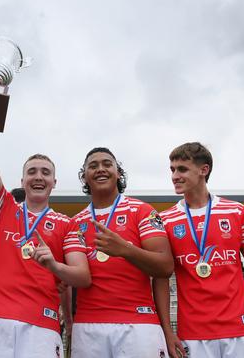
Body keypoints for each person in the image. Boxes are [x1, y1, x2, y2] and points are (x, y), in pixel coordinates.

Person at [0, 128, 91, 357]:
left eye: (45, 173)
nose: (38, 177)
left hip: (42, 324)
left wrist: (54, 266)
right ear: (22, 180)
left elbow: (82, 276)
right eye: (32, 172)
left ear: (54, 182)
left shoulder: (67, 224)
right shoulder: (3, 207)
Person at [158, 142, 244, 358]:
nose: (175, 176)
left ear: (203, 170)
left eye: (182, 169)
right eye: (172, 169)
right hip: (193, 334)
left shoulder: (235, 210)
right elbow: (160, 278)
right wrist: (168, 332)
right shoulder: (165, 219)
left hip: (241, 329)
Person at [69, 147, 173, 357]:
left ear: (118, 173)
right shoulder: (75, 223)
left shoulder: (142, 211)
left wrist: (125, 249)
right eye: (93, 166)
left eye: (107, 164)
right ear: (85, 177)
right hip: (87, 326)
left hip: (138, 324)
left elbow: (165, 267)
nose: (100, 169)